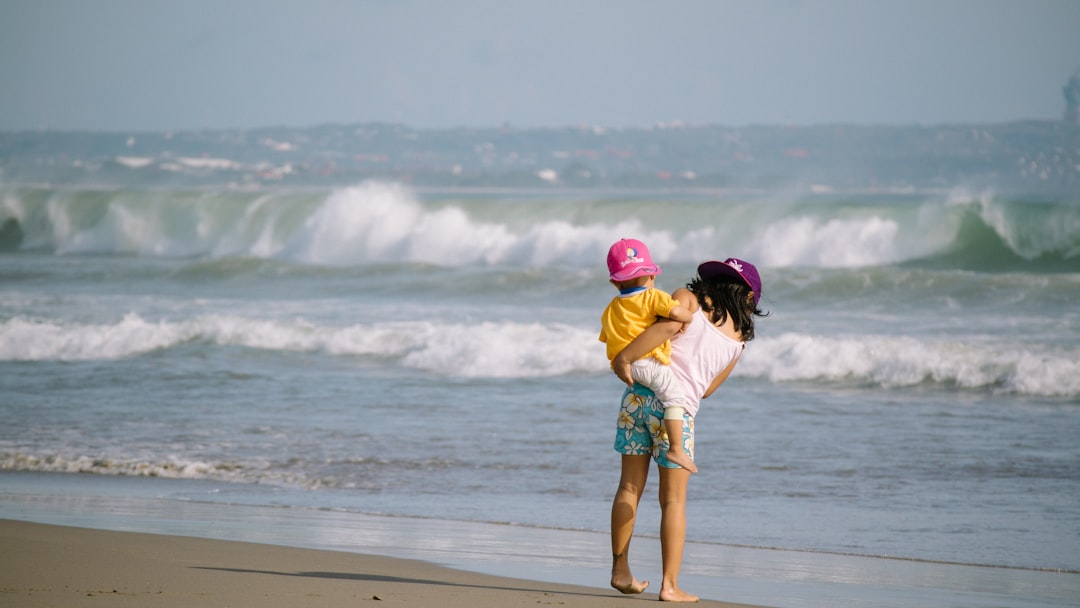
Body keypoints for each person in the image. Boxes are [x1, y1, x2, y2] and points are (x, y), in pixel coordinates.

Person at [608, 257, 766, 602]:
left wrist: (625, 357)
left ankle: (621, 569)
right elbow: (707, 389)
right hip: (678, 415)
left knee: (629, 487)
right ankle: (669, 585)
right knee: (673, 501)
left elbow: (661, 330)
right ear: (749, 299)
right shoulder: (738, 341)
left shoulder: (688, 299)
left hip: (638, 397)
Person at [599, 238, 697, 472]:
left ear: (615, 282)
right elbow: (676, 312)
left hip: (625, 367)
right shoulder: (654, 297)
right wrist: (689, 317)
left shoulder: (612, 307)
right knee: (675, 397)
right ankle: (675, 448)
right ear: (651, 276)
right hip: (648, 362)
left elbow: (606, 336)